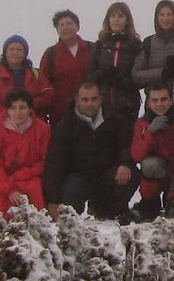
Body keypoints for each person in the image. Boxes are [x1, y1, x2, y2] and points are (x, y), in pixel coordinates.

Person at [43, 80, 137, 220]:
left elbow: (126, 145)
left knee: (130, 175)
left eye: (93, 99)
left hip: (107, 175)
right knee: (68, 210)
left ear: (100, 99)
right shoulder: (66, 125)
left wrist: (125, 163)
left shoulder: (115, 119)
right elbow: (55, 162)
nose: (89, 104)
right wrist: (52, 201)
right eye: (85, 99)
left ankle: (110, 209)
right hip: (78, 176)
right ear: (77, 101)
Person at [0, 89, 51, 221]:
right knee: (1, 204)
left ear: (30, 109)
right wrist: (9, 190)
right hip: (3, 181)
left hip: (31, 178)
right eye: (13, 108)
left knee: (34, 193)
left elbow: (45, 161)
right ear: (7, 110)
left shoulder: (42, 130)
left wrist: (21, 175)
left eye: (22, 108)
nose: (18, 113)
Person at [130, 85, 174, 219]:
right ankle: (151, 201)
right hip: (160, 173)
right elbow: (137, 155)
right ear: (148, 103)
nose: (159, 104)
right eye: (155, 100)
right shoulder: (142, 124)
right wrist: (149, 133)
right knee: (149, 164)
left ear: (171, 101)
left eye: (163, 99)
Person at [0, 35, 54, 126]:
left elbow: (49, 96)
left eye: (19, 49)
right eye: (11, 49)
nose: (15, 52)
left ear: (25, 54)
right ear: (5, 53)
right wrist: (8, 113)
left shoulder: (36, 74)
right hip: (2, 128)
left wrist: (27, 109)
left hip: (34, 128)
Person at [87, 1, 141, 117]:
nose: (116, 20)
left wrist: (120, 80)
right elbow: (89, 76)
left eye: (120, 16)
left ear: (127, 20)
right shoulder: (100, 45)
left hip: (127, 104)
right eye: (113, 16)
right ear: (108, 20)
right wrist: (103, 73)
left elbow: (139, 79)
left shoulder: (135, 45)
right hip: (102, 103)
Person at [39, 10, 93, 125]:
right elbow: (43, 85)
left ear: (77, 26)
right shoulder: (50, 54)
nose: (66, 28)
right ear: (57, 30)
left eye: (69, 23)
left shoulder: (92, 49)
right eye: (61, 25)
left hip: (91, 113)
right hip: (61, 116)